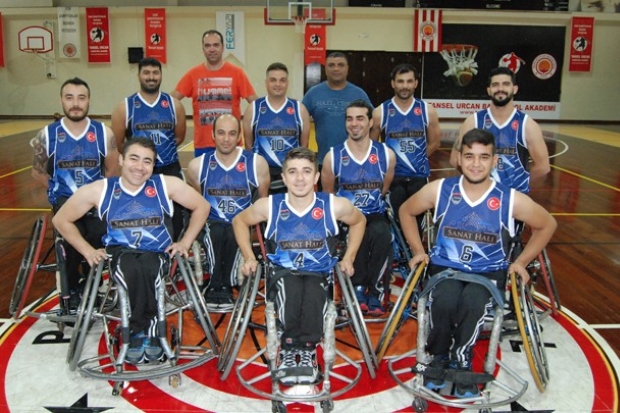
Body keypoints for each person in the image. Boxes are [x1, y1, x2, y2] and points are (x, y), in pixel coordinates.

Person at [400, 128, 556, 398]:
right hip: (446, 269)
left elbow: (547, 224)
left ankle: (462, 360)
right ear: (459, 159)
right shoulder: (441, 189)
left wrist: (521, 262)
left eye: (484, 157)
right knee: (445, 300)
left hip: (487, 273)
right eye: (469, 156)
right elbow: (406, 211)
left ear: (494, 161)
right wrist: (417, 250)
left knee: (473, 302)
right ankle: (438, 356)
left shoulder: (509, 198)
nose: (476, 163)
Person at [52, 137, 210, 364]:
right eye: (134, 159)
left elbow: (202, 206)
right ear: (121, 160)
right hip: (121, 253)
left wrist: (185, 243)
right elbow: (61, 220)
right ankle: (139, 330)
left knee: (150, 268)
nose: (140, 166)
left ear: (153, 165)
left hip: (156, 252)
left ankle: (147, 330)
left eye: (147, 161)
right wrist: (87, 251)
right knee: (131, 269)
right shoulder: (101, 189)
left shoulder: (166, 184)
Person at [232, 147, 365, 385]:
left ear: (316, 177)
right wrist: (249, 256)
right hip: (282, 272)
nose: (300, 178)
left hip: (319, 273)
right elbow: (239, 220)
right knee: (290, 288)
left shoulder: (333, 205)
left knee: (314, 291)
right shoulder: (269, 205)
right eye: (293, 172)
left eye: (306, 171)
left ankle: (307, 350)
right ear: (283, 178)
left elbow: (359, 221)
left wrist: (349, 257)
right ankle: (290, 347)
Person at [31, 77, 119, 314]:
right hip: (65, 202)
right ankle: (71, 290)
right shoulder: (46, 135)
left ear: (89, 100)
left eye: (81, 98)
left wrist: (97, 193)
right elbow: (37, 171)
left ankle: (94, 285)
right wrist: (56, 190)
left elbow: (112, 169)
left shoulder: (104, 133)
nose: (75, 103)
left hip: (95, 201)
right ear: (61, 100)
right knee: (69, 242)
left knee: (101, 236)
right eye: (69, 98)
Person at [187, 114, 270, 310]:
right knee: (216, 231)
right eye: (221, 133)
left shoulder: (256, 163)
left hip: (242, 222)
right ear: (213, 135)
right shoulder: (197, 166)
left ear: (239, 136)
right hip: (211, 222)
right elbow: (198, 204)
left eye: (232, 133)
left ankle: (224, 284)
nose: (226, 139)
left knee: (234, 230)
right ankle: (217, 284)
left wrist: (252, 225)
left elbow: (262, 202)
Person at [321, 100, 396, 317]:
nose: (354, 124)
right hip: (346, 216)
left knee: (382, 233)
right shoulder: (333, 156)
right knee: (356, 232)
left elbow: (384, 188)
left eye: (360, 118)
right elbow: (328, 195)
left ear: (370, 122)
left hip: (374, 213)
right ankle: (358, 287)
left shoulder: (386, 155)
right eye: (350, 119)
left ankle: (377, 290)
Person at [111, 57, 187, 240]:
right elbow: (118, 144)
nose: (151, 77)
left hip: (169, 168)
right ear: (139, 75)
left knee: (176, 217)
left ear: (161, 75)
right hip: (139, 171)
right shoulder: (125, 107)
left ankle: (174, 249)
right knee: (141, 214)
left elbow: (179, 137)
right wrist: (139, 159)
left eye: (155, 73)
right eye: (146, 73)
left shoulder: (174, 105)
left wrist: (161, 154)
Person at [450, 66, 550, 194]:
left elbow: (543, 167)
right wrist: (475, 179)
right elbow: (455, 159)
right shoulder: (473, 121)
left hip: (515, 197)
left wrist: (521, 185)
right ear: (489, 90)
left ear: (515, 89)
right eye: (495, 85)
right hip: (481, 195)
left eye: (506, 84)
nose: (500, 89)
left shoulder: (527, 125)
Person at [370, 63, 440, 229]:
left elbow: (435, 142)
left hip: (418, 176)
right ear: (393, 83)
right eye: (400, 81)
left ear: (416, 83)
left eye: (409, 81)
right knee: (398, 219)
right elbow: (372, 146)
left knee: (417, 220)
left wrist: (419, 158)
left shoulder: (427, 110)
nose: (405, 86)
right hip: (394, 177)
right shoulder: (381, 112)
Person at [171, 29, 257, 157]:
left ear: (223, 47)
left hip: (231, 144)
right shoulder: (193, 74)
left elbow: (256, 105)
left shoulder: (237, 73)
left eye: (216, 45)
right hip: (203, 145)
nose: (212, 49)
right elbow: (169, 101)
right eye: (208, 45)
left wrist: (249, 130)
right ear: (203, 49)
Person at [242, 62, 310, 185]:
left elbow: (304, 147)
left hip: (291, 173)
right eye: (273, 80)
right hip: (261, 172)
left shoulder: (299, 109)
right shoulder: (254, 109)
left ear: (287, 83)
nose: (278, 84)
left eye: (282, 80)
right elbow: (248, 146)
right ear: (266, 82)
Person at [302, 52, 373, 167]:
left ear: (347, 68)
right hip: (324, 162)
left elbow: (374, 121)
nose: (336, 69)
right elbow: (299, 121)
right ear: (325, 69)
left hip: (355, 162)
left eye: (340, 65)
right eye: (331, 65)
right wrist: (303, 153)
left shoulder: (359, 94)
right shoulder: (313, 94)